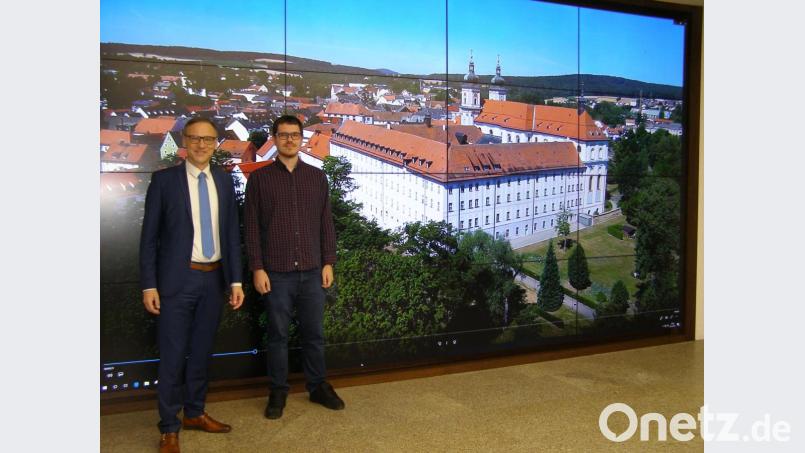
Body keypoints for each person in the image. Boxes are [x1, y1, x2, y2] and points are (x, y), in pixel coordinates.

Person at [140, 117, 244, 453]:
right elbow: (149, 239)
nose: (201, 145)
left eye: (208, 139)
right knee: (172, 357)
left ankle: (195, 413)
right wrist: (149, 285)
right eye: (195, 138)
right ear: (185, 141)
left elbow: (231, 233)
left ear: (216, 144)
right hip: (177, 280)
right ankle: (169, 427)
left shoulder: (224, 180)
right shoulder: (164, 181)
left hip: (214, 279)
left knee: (201, 352)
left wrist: (235, 280)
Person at [244, 114, 344, 420]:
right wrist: (257, 268)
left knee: (314, 334)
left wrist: (329, 262)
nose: (289, 140)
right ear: (274, 138)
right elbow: (251, 228)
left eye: (294, 135)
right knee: (277, 336)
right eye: (283, 135)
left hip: (313, 269)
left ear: (301, 139)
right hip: (276, 272)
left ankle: (317, 386)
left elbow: (326, 223)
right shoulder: (260, 179)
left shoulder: (317, 177)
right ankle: (278, 391)